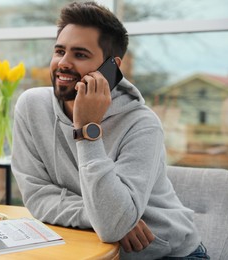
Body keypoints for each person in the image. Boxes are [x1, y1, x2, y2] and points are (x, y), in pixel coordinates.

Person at [11, 1, 210, 259]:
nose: (63, 63)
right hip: (87, 246)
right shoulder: (31, 106)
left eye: (80, 55)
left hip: (169, 255)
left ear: (111, 67)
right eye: (60, 51)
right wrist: (104, 215)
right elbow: (37, 195)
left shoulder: (142, 124)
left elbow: (113, 224)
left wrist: (87, 129)